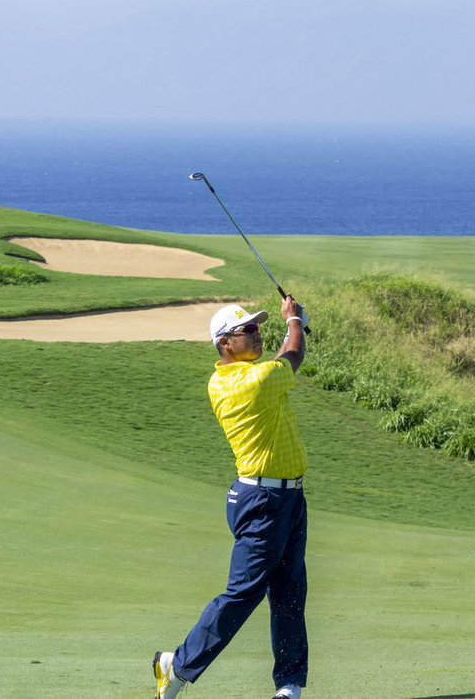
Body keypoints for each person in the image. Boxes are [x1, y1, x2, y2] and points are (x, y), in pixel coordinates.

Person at [153, 294, 309, 699]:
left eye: (260, 328)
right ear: (225, 343)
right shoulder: (250, 381)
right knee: (244, 592)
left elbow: (279, 362)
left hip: (289, 499)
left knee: (291, 590)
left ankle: (289, 685)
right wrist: (294, 320)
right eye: (248, 331)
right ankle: (179, 669)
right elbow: (291, 354)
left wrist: (293, 323)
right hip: (261, 502)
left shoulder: (247, 376)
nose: (258, 335)